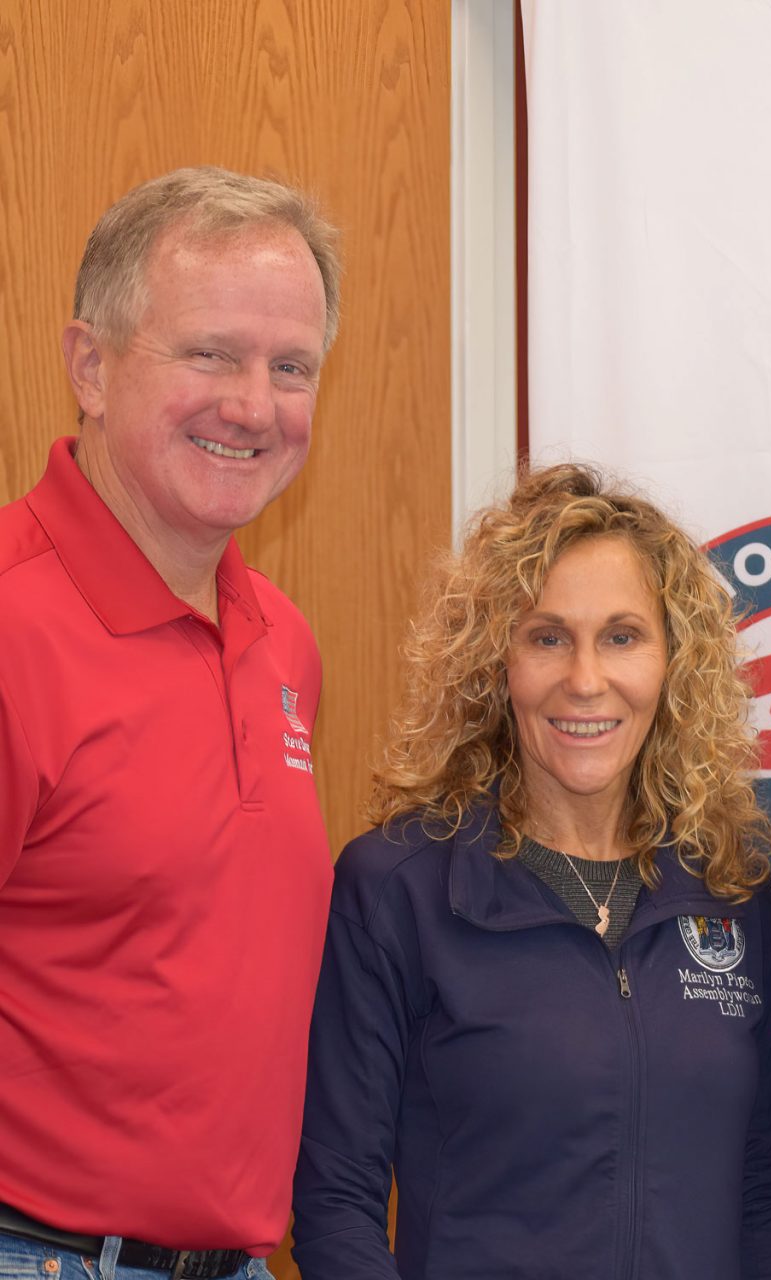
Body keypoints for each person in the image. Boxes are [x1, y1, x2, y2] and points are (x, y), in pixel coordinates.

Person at [291, 466, 771, 1278]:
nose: (586, 680)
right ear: (496, 664)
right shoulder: (399, 888)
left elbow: (765, 1189)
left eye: (623, 636)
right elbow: (336, 1203)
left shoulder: (733, 894)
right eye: (547, 636)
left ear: (674, 663)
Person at [0, 166, 339, 1279]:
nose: (254, 403)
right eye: (210, 352)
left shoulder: (282, 638)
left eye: (291, 367)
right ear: (89, 367)